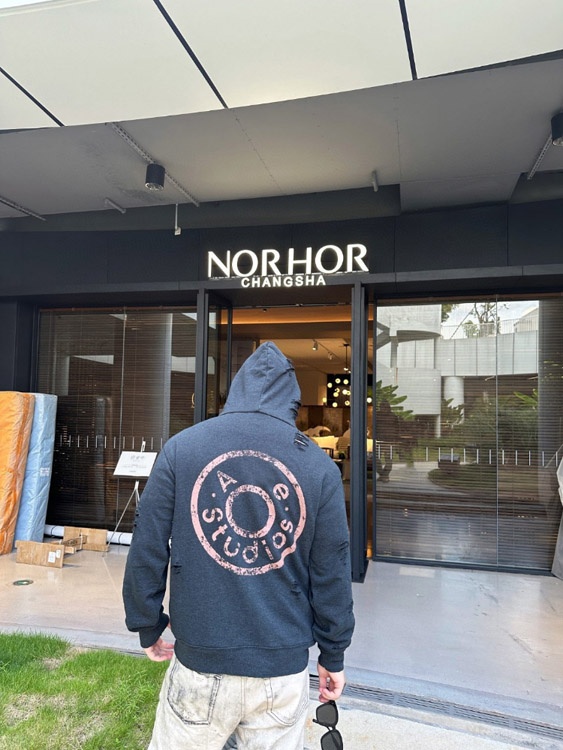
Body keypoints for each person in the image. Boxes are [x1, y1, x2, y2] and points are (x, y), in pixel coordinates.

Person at [122, 341, 355, 750]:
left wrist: (147, 623)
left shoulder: (182, 449)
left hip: (201, 661)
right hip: (281, 668)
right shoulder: (318, 467)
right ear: (291, 399)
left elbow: (148, 545)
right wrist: (332, 654)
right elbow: (331, 569)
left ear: (237, 390)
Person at [375, 400, 398, 482]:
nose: (383, 408)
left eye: (385, 407)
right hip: (380, 440)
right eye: (382, 407)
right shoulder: (377, 415)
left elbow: (397, 428)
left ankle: (384, 475)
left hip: (389, 440)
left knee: (388, 459)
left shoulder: (393, 416)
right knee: (376, 458)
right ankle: (383, 475)